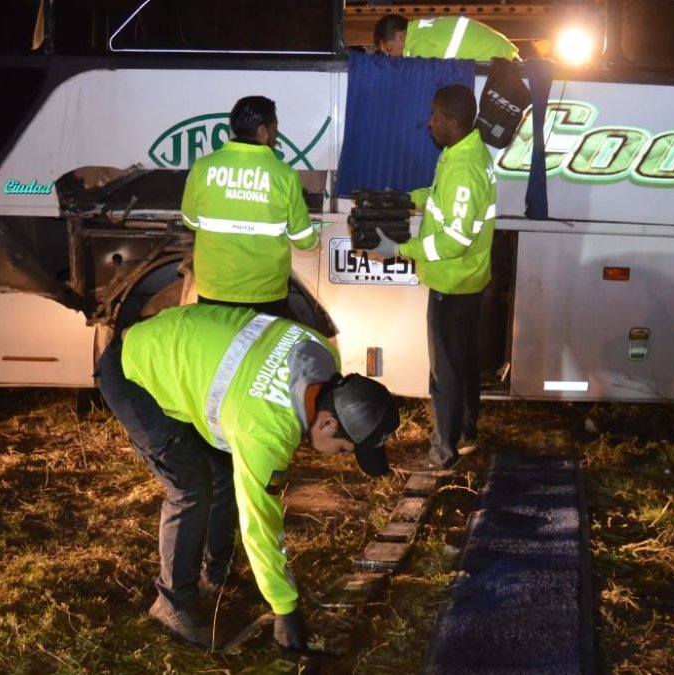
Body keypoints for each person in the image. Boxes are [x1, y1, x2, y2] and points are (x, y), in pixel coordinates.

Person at [96, 302, 399, 648]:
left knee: (223, 472)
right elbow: (260, 523)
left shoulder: (320, 352)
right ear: (328, 421)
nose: (339, 457)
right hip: (134, 374)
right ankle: (172, 603)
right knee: (190, 488)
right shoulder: (265, 432)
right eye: (344, 449)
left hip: (172, 343)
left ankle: (215, 573)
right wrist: (285, 608)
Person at [363, 84, 494, 470]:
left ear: (452, 121)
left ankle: (442, 452)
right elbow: (441, 198)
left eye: (435, 116)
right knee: (465, 364)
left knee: (445, 374)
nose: (430, 122)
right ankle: (466, 435)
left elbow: (454, 239)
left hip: (452, 283)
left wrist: (400, 250)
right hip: (467, 281)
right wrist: (409, 199)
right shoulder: (463, 151)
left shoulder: (465, 168)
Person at [180, 95, 318, 319]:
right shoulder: (284, 175)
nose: (276, 135)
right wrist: (316, 242)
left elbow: (190, 221)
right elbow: (303, 239)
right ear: (263, 131)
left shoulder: (202, 168)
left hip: (213, 288)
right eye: (275, 128)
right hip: (265, 293)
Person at [374, 13, 519, 62]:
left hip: (496, 59)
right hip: (500, 51)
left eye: (389, 50)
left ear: (399, 37)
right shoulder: (420, 29)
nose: (390, 57)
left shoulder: (418, 46)